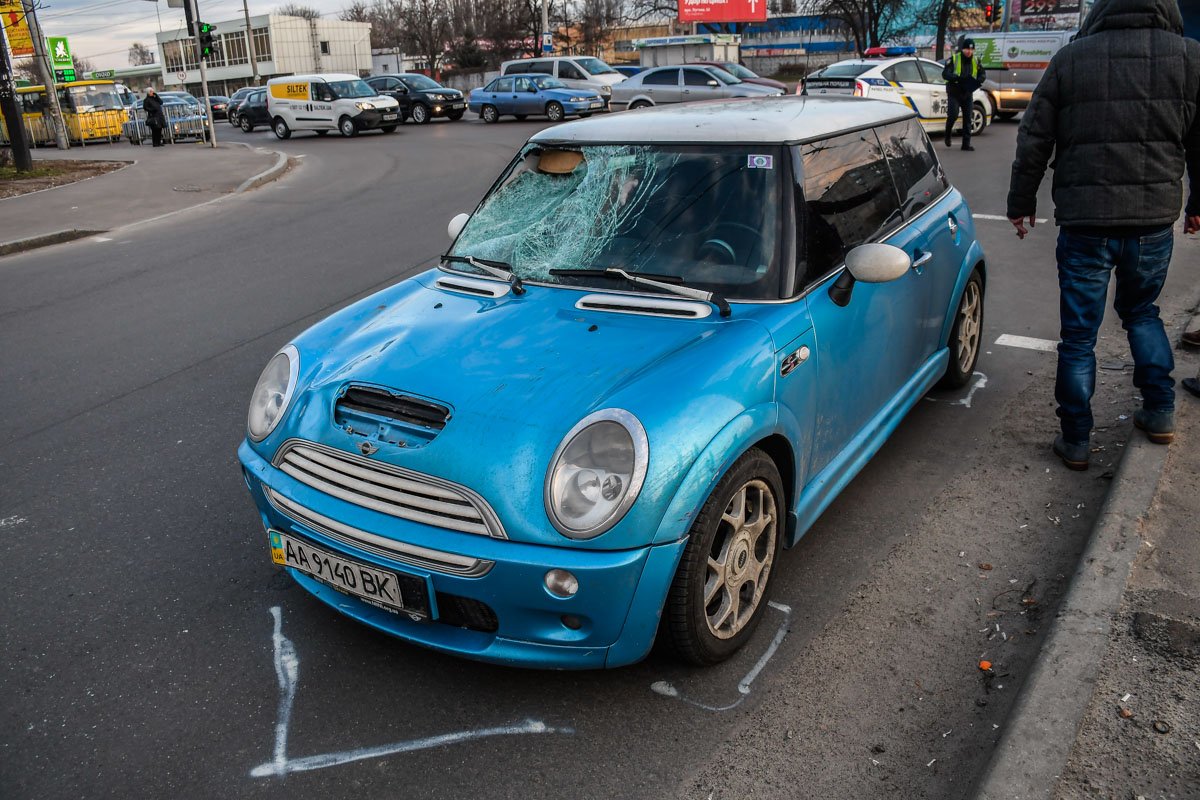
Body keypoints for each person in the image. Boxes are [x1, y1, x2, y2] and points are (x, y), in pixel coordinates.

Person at [1007, 0, 1200, 471]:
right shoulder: (1188, 56)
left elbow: (1034, 136)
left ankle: (1075, 439)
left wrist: (1021, 202)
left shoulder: (1072, 58)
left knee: (1078, 335)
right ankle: (1159, 410)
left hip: (1085, 222)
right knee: (1143, 312)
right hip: (1152, 219)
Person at [942, 38, 985, 151]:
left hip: (967, 93)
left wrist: (979, 80)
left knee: (968, 119)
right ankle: (947, 135)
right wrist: (956, 77)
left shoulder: (976, 60)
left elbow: (982, 74)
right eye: (967, 49)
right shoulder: (954, 59)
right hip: (954, 92)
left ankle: (966, 144)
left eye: (971, 49)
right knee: (953, 115)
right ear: (962, 49)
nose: (969, 52)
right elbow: (945, 74)